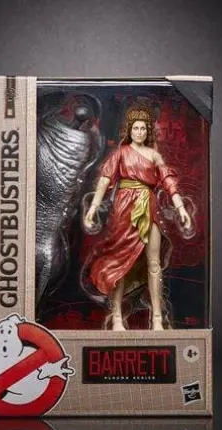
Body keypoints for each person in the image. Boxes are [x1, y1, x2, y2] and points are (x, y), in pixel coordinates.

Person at [82, 105, 192, 331]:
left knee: (154, 263)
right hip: (124, 207)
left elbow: (169, 182)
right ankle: (117, 318)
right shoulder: (121, 153)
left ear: (147, 131)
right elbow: (104, 180)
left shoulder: (154, 155)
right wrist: (93, 208)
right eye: (135, 128)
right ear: (129, 130)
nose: (139, 132)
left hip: (148, 206)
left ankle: (157, 318)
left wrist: (180, 207)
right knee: (119, 261)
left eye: (143, 128)